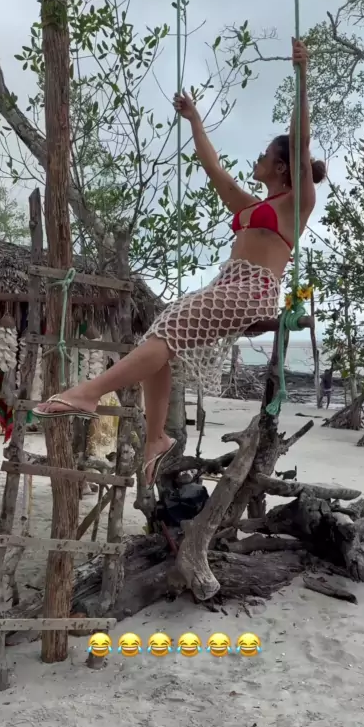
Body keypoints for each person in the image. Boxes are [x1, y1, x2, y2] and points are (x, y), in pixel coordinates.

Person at [33, 39, 326, 486]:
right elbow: (214, 169)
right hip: (226, 285)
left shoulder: (296, 203)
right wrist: (195, 121)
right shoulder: (252, 205)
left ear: (284, 167)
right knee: (157, 337)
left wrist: (301, 76)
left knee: (167, 332)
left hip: (256, 291)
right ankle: (156, 439)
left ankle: (89, 392)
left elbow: (300, 142)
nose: (257, 160)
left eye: (265, 156)